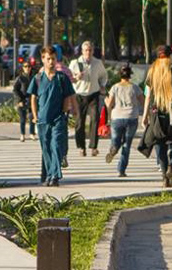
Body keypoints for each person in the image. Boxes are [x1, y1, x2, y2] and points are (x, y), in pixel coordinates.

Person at [139, 45, 172, 187]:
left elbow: (148, 96)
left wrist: (144, 116)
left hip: (156, 114)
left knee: (159, 143)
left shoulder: (152, 73)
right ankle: (171, 168)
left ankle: (164, 176)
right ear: (170, 57)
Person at [28, 46, 76, 187]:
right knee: (46, 149)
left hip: (58, 119)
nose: (51, 62)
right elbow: (33, 98)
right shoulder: (37, 78)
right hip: (42, 119)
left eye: (53, 59)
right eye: (48, 59)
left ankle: (54, 176)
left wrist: (65, 112)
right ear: (43, 59)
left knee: (55, 146)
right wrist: (35, 116)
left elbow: (68, 96)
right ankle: (49, 175)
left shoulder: (62, 78)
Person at [69, 40, 108, 158]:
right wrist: (76, 77)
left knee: (95, 119)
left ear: (93, 51)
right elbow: (69, 78)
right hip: (79, 95)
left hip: (93, 94)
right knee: (80, 122)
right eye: (86, 50)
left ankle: (93, 147)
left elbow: (104, 76)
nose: (88, 52)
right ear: (82, 51)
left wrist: (102, 85)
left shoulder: (97, 63)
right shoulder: (75, 63)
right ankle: (81, 147)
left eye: (90, 50)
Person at [104, 64, 144, 177]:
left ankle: (114, 148)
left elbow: (110, 104)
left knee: (116, 140)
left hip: (117, 117)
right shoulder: (135, 88)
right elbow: (143, 102)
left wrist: (106, 103)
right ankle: (121, 170)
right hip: (131, 117)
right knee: (127, 144)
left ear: (120, 75)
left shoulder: (115, 87)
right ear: (130, 75)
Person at [13, 62, 36, 142]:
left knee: (32, 117)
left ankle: (32, 134)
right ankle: (22, 134)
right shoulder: (20, 78)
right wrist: (19, 100)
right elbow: (15, 90)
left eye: (29, 66)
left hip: (31, 100)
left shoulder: (33, 78)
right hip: (22, 100)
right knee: (23, 118)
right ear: (23, 68)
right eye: (25, 66)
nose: (27, 68)